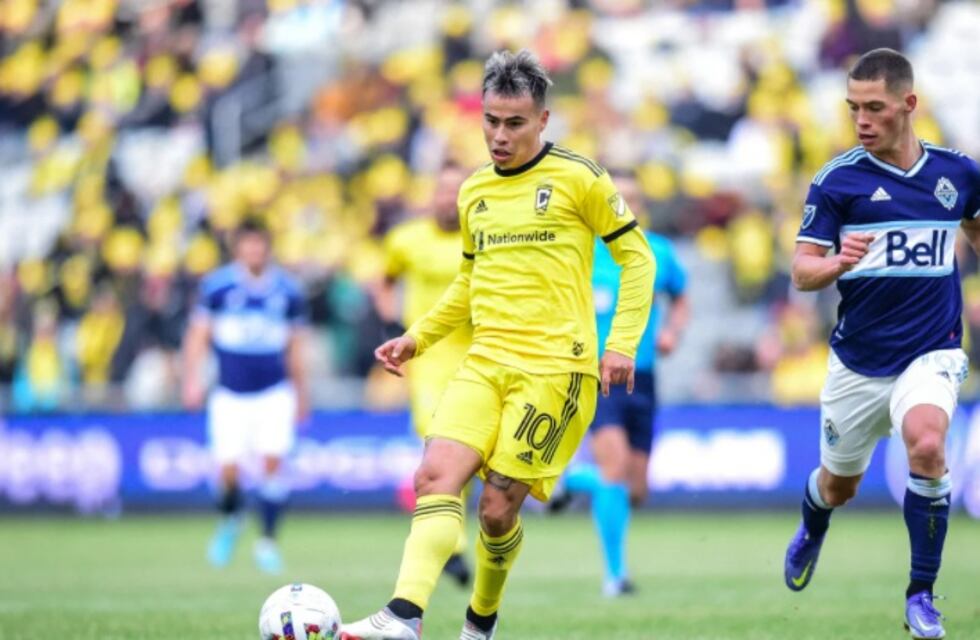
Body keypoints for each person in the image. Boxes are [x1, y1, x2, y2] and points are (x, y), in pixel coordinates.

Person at [341, 49, 655, 640]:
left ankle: (479, 623)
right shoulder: (474, 191)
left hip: (555, 371)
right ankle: (403, 616)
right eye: (491, 121)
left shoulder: (580, 177)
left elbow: (637, 259)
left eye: (515, 123)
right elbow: (469, 280)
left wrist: (621, 343)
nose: (500, 135)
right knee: (434, 476)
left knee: (496, 509)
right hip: (484, 362)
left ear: (543, 120)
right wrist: (417, 337)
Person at [783, 48, 980, 640]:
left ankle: (921, 594)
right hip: (859, 363)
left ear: (908, 104)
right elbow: (801, 271)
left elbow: (975, 227)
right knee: (837, 486)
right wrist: (837, 263)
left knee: (928, 444)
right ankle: (813, 524)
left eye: (874, 107)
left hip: (933, 348)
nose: (861, 120)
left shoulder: (957, 175)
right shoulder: (838, 180)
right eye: (853, 108)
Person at [555, 170, 689, 597]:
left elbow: (681, 297)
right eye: (619, 198)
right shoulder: (582, 251)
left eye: (633, 198)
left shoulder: (658, 252)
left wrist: (672, 332)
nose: (626, 205)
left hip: (643, 378)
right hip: (597, 378)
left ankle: (567, 481)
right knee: (614, 472)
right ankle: (616, 577)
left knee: (635, 490)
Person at [181, 220, 309, 574]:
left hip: (274, 392)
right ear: (237, 249)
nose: (254, 251)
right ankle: (231, 518)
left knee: (272, 466)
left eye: (259, 244)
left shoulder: (288, 290)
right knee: (228, 471)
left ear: (267, 248)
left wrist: (302, 393)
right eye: (248, 245)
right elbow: (198, 335)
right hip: (230, 393)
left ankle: (267, 542)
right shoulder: (218, 286)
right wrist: (191, 380)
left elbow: (296, 346)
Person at [374, 162, 474, 587]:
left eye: (456, 191)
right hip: (428, 359)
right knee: (440, 441)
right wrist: (392, 320)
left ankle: (452, 535)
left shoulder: (482, 238)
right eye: (442, 190)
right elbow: (384, 280)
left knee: (471, 450)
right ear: (432, 195)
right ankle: (455, 545)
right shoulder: (406, 239)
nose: (448, 199)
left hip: (475, 355)